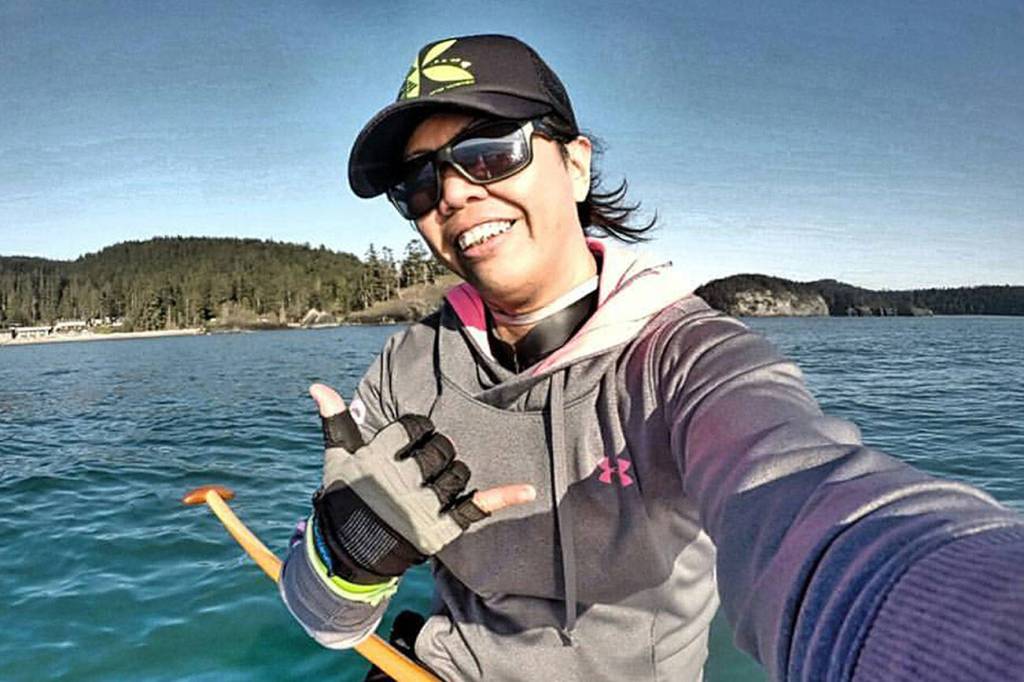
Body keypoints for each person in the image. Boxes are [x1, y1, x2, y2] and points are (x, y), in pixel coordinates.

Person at [279, 34, 1024, 681]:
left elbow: (808, 501)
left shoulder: (688, 362)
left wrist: (961, 630)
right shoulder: (405, 372)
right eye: (418, 180)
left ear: (574, 165)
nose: (451, 193)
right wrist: (350, 551)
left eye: (489, 152)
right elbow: (326, 621)